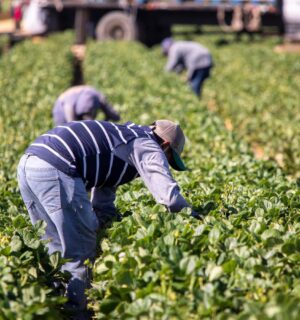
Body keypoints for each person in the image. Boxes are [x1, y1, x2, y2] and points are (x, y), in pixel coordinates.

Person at [17, 119, 199, 319]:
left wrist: (108, 219)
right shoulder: (149, 146)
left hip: (29, 163)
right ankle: (77, 313)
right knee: (81, 249)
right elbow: (171, 199)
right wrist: (196, 218)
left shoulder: (126, 135)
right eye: (169, 160)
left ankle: (58, 305)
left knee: (55, 245)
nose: (166, 164)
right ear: (165, 145)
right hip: (56, 166)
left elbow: (104, 188)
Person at [52, 85, 120, 126]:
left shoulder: (94, 94)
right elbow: (70, 119)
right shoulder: (69, 102)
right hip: (61, 111)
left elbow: (112, 114)